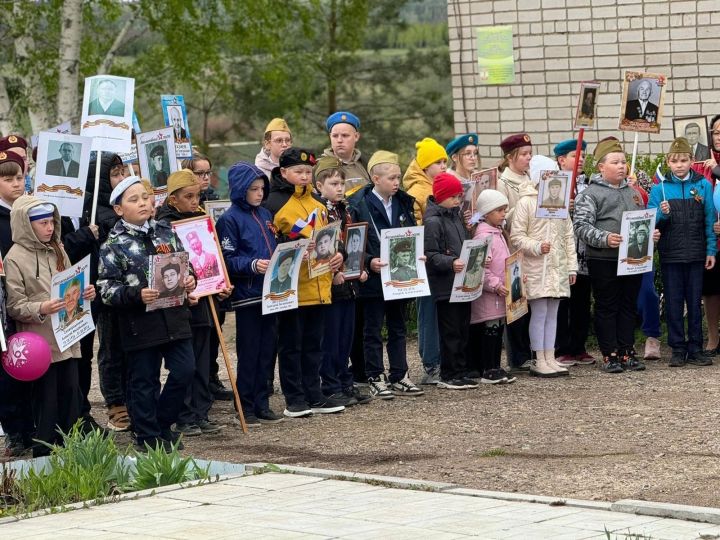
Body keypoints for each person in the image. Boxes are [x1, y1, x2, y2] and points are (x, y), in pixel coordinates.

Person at [98, 176, 197, 451]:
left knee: (185, 370)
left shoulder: (165, 231)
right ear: (119, 209)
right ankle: (147, 435)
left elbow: (186, 265)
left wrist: (191, 280)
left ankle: (161, 423)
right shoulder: (113, 244)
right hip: (139, 322)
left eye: (145, 196)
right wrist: (135, 295)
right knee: (144, 380)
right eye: (133, 199)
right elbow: (106, 289)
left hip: (175, 317)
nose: (142, 203)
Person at [5, 197, 96, 456]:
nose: (50, 228)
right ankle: (44, 457)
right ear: (26, 224)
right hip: (39, 344)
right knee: (46, 404)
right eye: (43, 223)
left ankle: (71, 453)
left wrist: (85, 291)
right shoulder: (14, 258)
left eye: (51, 222)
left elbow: (70, 282)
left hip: (67, 338)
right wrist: (41, 308)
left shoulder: (58, 248)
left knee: (70, 399)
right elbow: (15, 305)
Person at [264, 147, 346, 418]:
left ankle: (315, 393)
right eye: (298, 171)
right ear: (283, 172)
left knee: (314, 344)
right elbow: (270, 245)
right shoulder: (273, 204)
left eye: (308, 172)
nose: (304, 176)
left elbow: (333, 239)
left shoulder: (319, 204)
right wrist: (297, 247)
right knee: (291, 344)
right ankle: (294, 397)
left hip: (320, 284)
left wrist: (338, 257)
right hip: (292, 287)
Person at [156, 169, 227, 437]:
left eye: (197, 195)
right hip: (186, 302)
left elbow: (213, 256)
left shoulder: (201, 219)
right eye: (188, 196)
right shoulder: (165, 225)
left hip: (208, 297)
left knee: (205, 359)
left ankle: (201, 411)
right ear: (173, 199)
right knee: (189, 361)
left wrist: (222, 281)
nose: (194, 201)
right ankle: (184, 415)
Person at [348, 150, 424, 399]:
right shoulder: (359, 204)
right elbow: (354, 241)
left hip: (399, 275)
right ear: (375, 178)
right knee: (372, 329)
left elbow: (410, 233)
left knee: (398, 326)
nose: (396, 183)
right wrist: (368, 262)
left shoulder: (403, 200)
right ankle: (374, 375)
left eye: (398, 177)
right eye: (391, 178)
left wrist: (417, 255)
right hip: (373, 277)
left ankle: (400, 374)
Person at [574, 138, 652, 373]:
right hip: (603, 259)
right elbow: (580, 226)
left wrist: (651, 234)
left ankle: (627, 350)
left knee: (628, 305)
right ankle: (610, 354)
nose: (621, 166)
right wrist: (604, 238)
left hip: (632, 259)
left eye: (624, 162)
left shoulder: (634, 193)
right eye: (615, 162)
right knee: (607, 306)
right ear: (601, 167)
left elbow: (640, 221)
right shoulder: (590, 194)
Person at [216, 161, 282, 425]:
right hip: (248, 294)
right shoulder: (229, 219)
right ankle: (245, 404)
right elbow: (227, 259)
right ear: (240, 189)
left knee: (268, 350)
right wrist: (253, 265)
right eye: (253, 189)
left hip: (272, 293)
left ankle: (262, 401)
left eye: (262, 189)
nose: (259, 194)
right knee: (250, 351)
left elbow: (273, 246)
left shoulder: (266, 215)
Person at [650, 137, 716, 367]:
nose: (679, 165)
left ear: (691, 161)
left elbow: (710, 219)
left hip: (697, 253)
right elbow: (651, 222)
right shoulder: (660, 189)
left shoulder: (703, 185)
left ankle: (696, 347)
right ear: (668, 162)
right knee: (674, 302)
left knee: (695, 302)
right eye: (675, 161)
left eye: (684, 160)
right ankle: (677, 348)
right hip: (671, 255)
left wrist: (711, 250)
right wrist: (662, 213)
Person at [312, 156, 372, 407]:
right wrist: (333, 270)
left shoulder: (345, 209)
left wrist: (361, 265)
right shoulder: (320, 211)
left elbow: (353, 243)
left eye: (341, 183)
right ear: (319, 185)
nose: (340, 188)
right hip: (329, 283)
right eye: (334, 183)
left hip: (348, 281)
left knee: (346, 336)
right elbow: (321, 247)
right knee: (332, 337)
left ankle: (345, 380)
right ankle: (331, 383)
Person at [511, 161, 578, 378]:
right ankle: (538, 358)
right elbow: (517, 236)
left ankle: (550, 356)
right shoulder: (526, 203)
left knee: (553, 314)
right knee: (539, 313)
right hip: (536, 267)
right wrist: (537, 246)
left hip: (557, 267)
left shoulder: (558, 204)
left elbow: (568, 236)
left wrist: (571, 267)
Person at [424, 172, 478, 390]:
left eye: (459, 196)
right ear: (442, 196)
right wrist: (451, 262)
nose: (458, 200)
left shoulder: (455, 215)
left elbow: (464, 243)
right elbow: (430, 255)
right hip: (445, 285)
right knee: (451, 330)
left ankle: (461, 369)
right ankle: (449, 372)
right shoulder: (433, 221)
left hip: (461, 283)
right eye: (454, 196)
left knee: (463, 327)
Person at [403, 137, 447, 385]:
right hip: (425, 260)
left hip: (440, 258)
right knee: (428, 313)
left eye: (444, 161)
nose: (443, 165)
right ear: (424, 165)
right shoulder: (418, 192)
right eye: (437, 162)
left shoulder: (437, 186)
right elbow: (415, 227)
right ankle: (431, 363)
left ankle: (441, 359)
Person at [552, 139, 596, 366]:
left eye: (584, 156)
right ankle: (562, 347)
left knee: (581, 300)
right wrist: (562, 209)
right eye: (574, 155)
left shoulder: (588, 184)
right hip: (562, 252)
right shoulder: (553, 183)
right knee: (562, 301)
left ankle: (579, 346)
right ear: (561, 160)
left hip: (584, 252)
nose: (581, 160)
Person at [468, 189, 517, 384]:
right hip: (489, 295)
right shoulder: (483, 237)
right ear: (487, 213)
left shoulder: (497, 234)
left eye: (504, 209)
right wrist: (496, 285)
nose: (503, 213)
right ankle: (488, 367)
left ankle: (494, 366)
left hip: (500, 294)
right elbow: (481, 268)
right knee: (490, 331)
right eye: (499, 210)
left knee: (497, 330)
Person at [497, 133, 534, 372]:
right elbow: (500, 216)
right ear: (511, 157)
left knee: (529, 302)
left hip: (530, 248)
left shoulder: (528, 177)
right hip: (512, 247)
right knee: (516, 304)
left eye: (530, 153)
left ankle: (529, 351)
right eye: (524, 154)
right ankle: (517, 356)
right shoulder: (503, 181)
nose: (529, 158)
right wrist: (521, 204)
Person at [322, 111, 371, 196]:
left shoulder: (367, 165)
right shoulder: (320, 167)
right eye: (335, 136)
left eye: (345, 135)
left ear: (356, 136)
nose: (339, 140)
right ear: (330, 137)